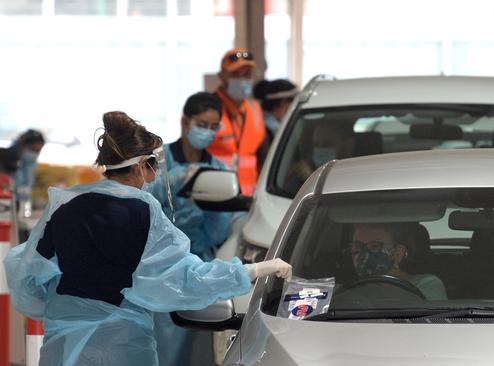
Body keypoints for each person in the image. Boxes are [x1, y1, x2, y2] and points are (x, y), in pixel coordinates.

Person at [3, 111, 291, 366]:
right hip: (120, 344)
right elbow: (186, 278)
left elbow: (26, 271)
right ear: (141, 165)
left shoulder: (65, 203)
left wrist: (62, 310)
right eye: (153, 165)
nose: (154, 175)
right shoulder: (141, 210)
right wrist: (253, 270)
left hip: (63, 345)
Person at [150, 92, 232, 366]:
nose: (207, 132)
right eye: (201, 124)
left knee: (201, 347)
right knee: (164, 344)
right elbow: (141, 205)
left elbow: (220, 229)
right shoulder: (156, 165)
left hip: (200, 265)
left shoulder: (218, 170)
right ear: (185, 123)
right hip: (160, 267)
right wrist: (167, 185)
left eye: (213, 127)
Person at [207, 48, 266, 196]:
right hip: (215, 198)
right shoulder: (208, 109)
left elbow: (262, 157)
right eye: (235, 74)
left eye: (246, 74)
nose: (242, 80)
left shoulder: (256, 110)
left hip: (249, 200)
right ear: (221, 77)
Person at [348, 223, 447, 300]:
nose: (362, 255)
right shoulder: (343, 289)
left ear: (398, 253)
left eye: (375, 246)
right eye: (358, 246)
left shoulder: (427, 284)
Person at [286, 121, 355, 192]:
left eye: (327, 144)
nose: (320, 149)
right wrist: (307, 179)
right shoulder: (303, 172)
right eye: (316, 144)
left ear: (346, 145)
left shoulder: (357, 172)